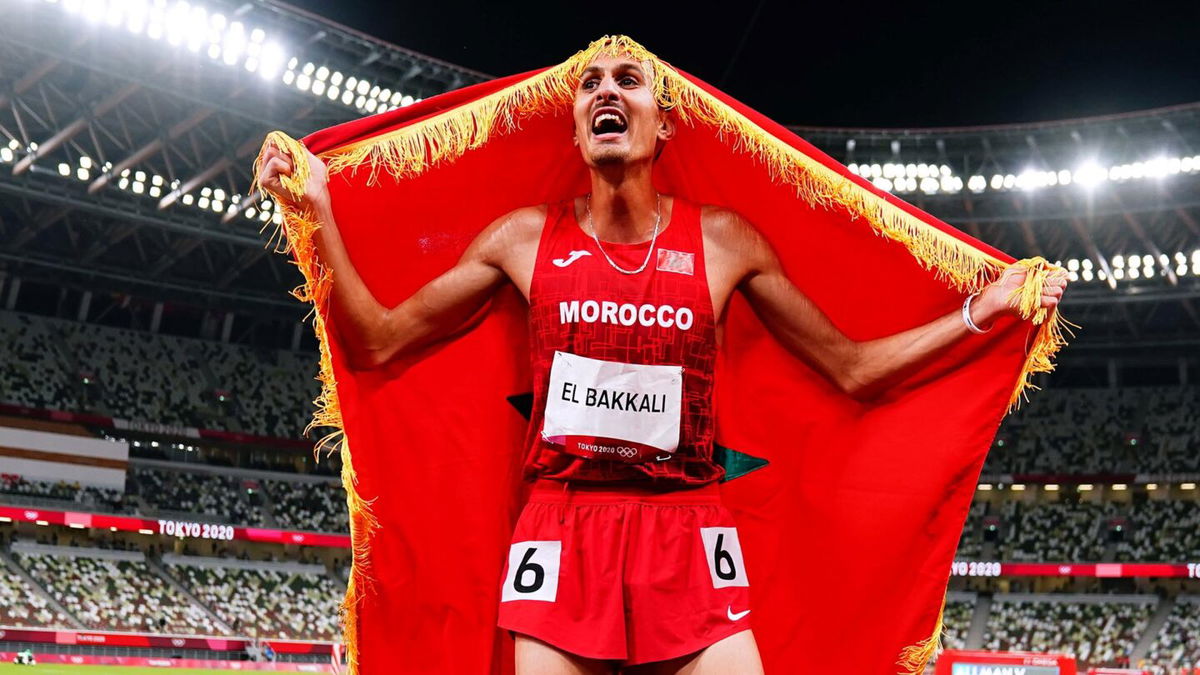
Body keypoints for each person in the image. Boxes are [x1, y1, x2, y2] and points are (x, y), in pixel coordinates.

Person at [258, 53, 1067, 675]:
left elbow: (853, 368)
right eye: (590, 85)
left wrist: (982, 309)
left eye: (631, 80)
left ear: (661, 122)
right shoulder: (520, 238)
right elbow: (378, 341)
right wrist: (319, 210)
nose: (607, 91)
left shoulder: (724, 240)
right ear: (575, 126)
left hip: (689, 526)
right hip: (562, 522)